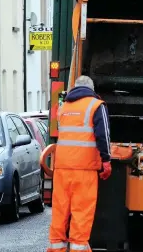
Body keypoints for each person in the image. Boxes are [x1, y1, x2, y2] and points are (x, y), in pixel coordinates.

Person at [47, 75, 112, 252]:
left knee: (60, 213)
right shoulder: (96, 105)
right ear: (92, 90)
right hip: (84, 169)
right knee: (81, 214)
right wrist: (106, 160)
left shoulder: (63, 107)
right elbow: (103, 135)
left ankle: (56, 248)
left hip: (61, 169)